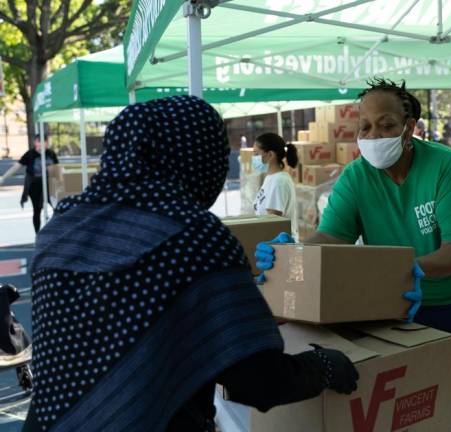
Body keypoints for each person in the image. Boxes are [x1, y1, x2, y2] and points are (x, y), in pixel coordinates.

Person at [23, 96, 358, 432]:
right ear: (197, 158)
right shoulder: (193, 238)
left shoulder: (59, 231)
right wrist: (324, 366)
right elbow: (257, 380)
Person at [256, 78, 451, 403]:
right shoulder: (356, 177)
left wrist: (405, 270)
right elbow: (332, 237)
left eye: (385, 125)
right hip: (410, 302)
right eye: (365, 127)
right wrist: (294, 253)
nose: (373, 136)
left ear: (409, 128)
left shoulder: (443, 165)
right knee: (424, 400)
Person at [0, 134, 59, 233]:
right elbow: (16, 167)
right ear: (35, 142)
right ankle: (38, 233)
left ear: (46, 143)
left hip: (50, 186)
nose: (40, 144)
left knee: (57, 208)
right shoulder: (30, 154)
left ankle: (53, 230)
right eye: (38, 141)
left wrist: (60, 182)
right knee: (37, 210)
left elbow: (58, 168)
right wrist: (3, 177)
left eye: (43, 142)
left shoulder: (51, 154)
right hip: (34, 187)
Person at [252, 133, 299, 236]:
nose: (253, 158)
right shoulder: (270, 178)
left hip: (281, 247)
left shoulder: (279, 182)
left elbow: (272, 224)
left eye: (256, 153)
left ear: (270, 155)